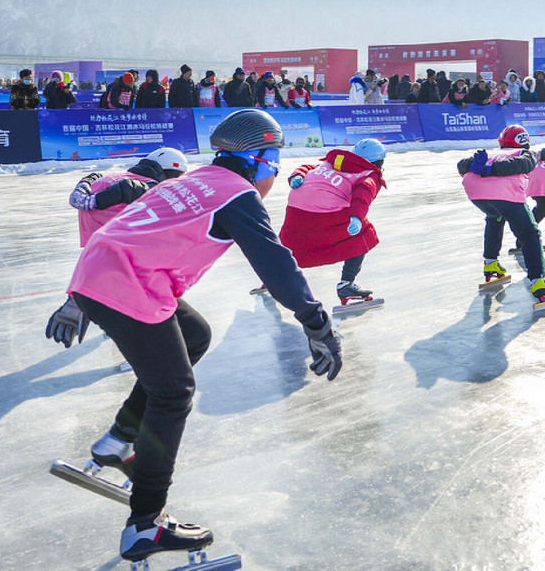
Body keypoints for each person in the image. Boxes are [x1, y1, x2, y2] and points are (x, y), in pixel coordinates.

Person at [44, 108, 340, 565]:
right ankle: (145, 525)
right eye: (275, 161)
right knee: (174, 392)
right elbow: (276, 263)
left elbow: (122, 228)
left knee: (195, 335)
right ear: (259, 159)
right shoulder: (238, 195)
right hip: (128, 283)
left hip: (101, 272)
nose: (276, 172)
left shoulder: (193, 179)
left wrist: (78, 297)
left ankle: (118, 440)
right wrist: (316, 321)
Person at [457, 125, 545, 304]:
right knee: (529, 234)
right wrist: (489, 171)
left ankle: (490, 264)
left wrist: (478, 167)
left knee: (494, 219)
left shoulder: (492, 154)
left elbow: (462, 164)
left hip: (476, 194)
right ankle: (538, 281)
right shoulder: (524, 154)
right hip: (505, 195)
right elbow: (523, 165)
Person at [279, 139, 387, 305]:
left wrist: (297, 175)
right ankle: (346, 285)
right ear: (379, 162)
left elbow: (307, 167)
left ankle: (274, 275)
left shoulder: (333, 162)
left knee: (291, 242)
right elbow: (362, 195)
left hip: (296, 208)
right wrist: (357, 218)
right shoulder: (368, 174)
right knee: (364, 235)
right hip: (324, 213)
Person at [68, 148, 189, 246]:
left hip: (96, 238)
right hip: (116, 242)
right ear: (171, 172)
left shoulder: (118, 175)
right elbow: (129, 187)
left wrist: (85, 185)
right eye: (178, 176)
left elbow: (96, 177)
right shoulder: (152, 186)